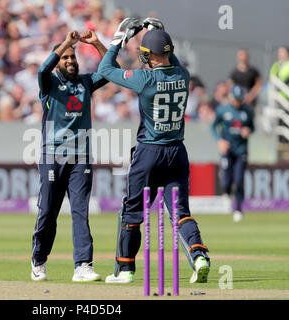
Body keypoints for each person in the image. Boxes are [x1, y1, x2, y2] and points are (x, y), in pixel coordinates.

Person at [97, 18, 210, 284]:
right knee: (180, 212)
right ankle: (199, 256)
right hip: (177, 152)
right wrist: (158, 33)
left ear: (149, 55)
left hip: (149, 152)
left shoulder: (145, 79)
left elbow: (104, 68)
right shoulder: (183, 75)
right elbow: (174, 60)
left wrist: (119, 39)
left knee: (133, 211)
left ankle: (125, 270)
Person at [31, 29, 115, 282]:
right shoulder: (49, 83)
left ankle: (83, 265)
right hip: (52, 156)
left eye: (73, 57)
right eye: (65, 57)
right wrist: (67, 42)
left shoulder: (86, 82)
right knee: (48, 211)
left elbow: (113, 70)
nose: (70, 61)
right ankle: (39, 260)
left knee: (80, 211)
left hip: (81, 157)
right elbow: (42, 70)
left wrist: (98, 43)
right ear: (58, 61)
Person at [211, 85, 254, 222]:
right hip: (227, 150)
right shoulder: (223, 110)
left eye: (240, 100)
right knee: (227, 180)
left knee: (239, 179)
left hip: (241, 150)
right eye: (236, 99)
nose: (237, 102)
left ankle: (239, 209)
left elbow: (252, 126)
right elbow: (213, 126)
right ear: (231, 98)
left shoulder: (247, 111)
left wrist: (248, 130)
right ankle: (227, 194)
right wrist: (220, 141)